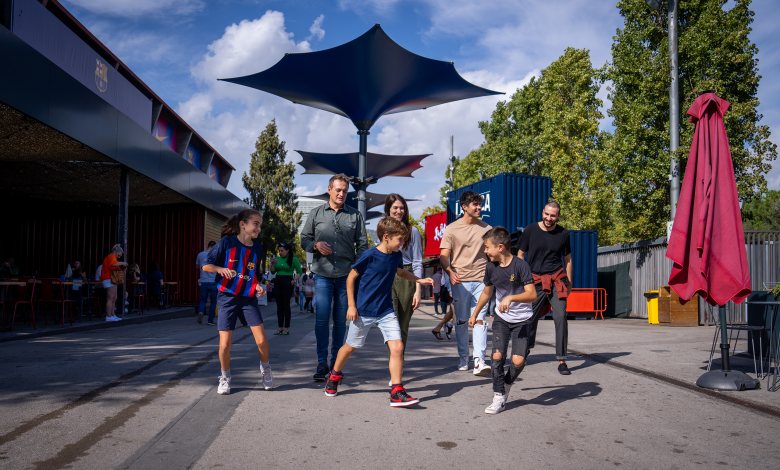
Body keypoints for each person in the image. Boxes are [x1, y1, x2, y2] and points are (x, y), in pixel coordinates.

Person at [323, 217, 432, 406]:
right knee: (350, 347)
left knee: (397, 347)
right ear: (386, 237)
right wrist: (351, 305)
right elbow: (350, 278)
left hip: (385, 310)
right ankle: (334, 375)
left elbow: (400, 272)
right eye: (400, 239)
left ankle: (397, 391)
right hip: (364, 311)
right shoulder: (369, 255)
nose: (403, 243)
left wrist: (418, 280)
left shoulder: (396, 255)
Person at [300, 173, 368, 381]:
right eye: (338, 190)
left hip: (345, 277)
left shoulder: (355, 216)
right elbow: (304, 238)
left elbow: (363, 245)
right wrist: (315, 245)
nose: (341, 194)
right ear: (329, 189)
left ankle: (335, 366)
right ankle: (322, 364)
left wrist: (356, 271)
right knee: (321, 321)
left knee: (340, 322)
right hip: (322, 274)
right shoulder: (316, 213)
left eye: (345, 191)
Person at [202, 208, 272, 395]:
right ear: (243, 224)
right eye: (255, 224)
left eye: (260, 225)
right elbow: (206, 265)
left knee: (262, 340)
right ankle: (225, 377)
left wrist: (259, 285)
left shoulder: (257, 248)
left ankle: (265, 369)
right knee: (225, 345)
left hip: (248, 299)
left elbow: (255, 275)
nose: (258, 228)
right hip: (227, 297)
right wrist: (219, 269)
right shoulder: (227, 243)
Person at [468, 227, 536, 414]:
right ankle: (498, 396)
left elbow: (532, 294)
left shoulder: (520, 265)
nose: (485, 251)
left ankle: (506, 384)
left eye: (487, 247)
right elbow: (487, 292)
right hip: (501, 319)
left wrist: (511, 298)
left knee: (518, 361)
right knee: (497, 356)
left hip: (523, 320)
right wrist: (475, 314)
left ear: (500, 247)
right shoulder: (491, 267)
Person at [439, 191, 492, 376]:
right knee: (461, 321)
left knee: (479, 319)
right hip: (459, 280)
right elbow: (443, 255)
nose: (479, 207)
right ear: (464, 207)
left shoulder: (487, 229)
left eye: (480, 204)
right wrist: (450, 272)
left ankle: (479, 360)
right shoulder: (452, 229)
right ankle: (463, 357)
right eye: (475, 204)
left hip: (481, 280)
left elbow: (493, 255)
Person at [518, 200, 573, 375]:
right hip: (535, 280)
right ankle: (524, 351)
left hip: (557, 279)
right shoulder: (530, 230)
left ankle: (562, 359)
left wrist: (569, 282)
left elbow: (568, 259)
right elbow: (520, 254)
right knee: (529, 317)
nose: (549, 218)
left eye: (553, 215)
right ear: (542, 212)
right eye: (547, 214)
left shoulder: (563, 234)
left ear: (558, 216)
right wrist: (522, 278)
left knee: (560, 316)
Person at [384, 194, 423, 352]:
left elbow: (417, 261)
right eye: (395, 208)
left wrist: (418, 290)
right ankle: (393, 363)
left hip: (406, 277)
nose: (399, 211)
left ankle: (398, 362)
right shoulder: (383, 230)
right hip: (387, 276)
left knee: (402, 325)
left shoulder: (412, 231)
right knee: (390, 324)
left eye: (402, 208)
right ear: (388, 209)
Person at [270, 241, 302, 335]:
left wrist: (294, 280)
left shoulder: (293, 259)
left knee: (286, 305)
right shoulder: (277, 259)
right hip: (278, 280)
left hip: (288, 281)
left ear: (287, 250)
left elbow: (299, 272)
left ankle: (286, 328)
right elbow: (272, 272)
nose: (280, 252)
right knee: (279, 306)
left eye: (282, 250)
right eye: (279, 251)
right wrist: (271, 264)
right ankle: (280, 327)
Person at [100, 244, 127, 322]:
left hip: (111, 279)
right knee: (110, 298)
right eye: (120, 254)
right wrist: (122, 263)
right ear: (116, 251)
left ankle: (112, 315)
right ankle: (108, 316)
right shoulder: (111, 256)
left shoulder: (113, 257)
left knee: (114, 298)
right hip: (108, 278)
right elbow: (114, 264)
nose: (120, 256)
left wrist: (121, 266)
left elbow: (114, 266)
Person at [196, 241, 218, 325]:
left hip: (203, 281)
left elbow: (197, 267)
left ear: (207, 246)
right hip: (213, 282)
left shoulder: (200, 254)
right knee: (213, 302)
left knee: (202, 300)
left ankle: (201, 311)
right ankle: (210, 321)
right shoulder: (217, 256)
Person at [431, 269, 454, 340]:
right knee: (456, 310)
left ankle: (438, 328)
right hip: (450, 288)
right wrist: (450, 290)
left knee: (452, 312)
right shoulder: (448, 260)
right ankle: (463, 335)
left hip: (450, 287)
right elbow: (448, 275)